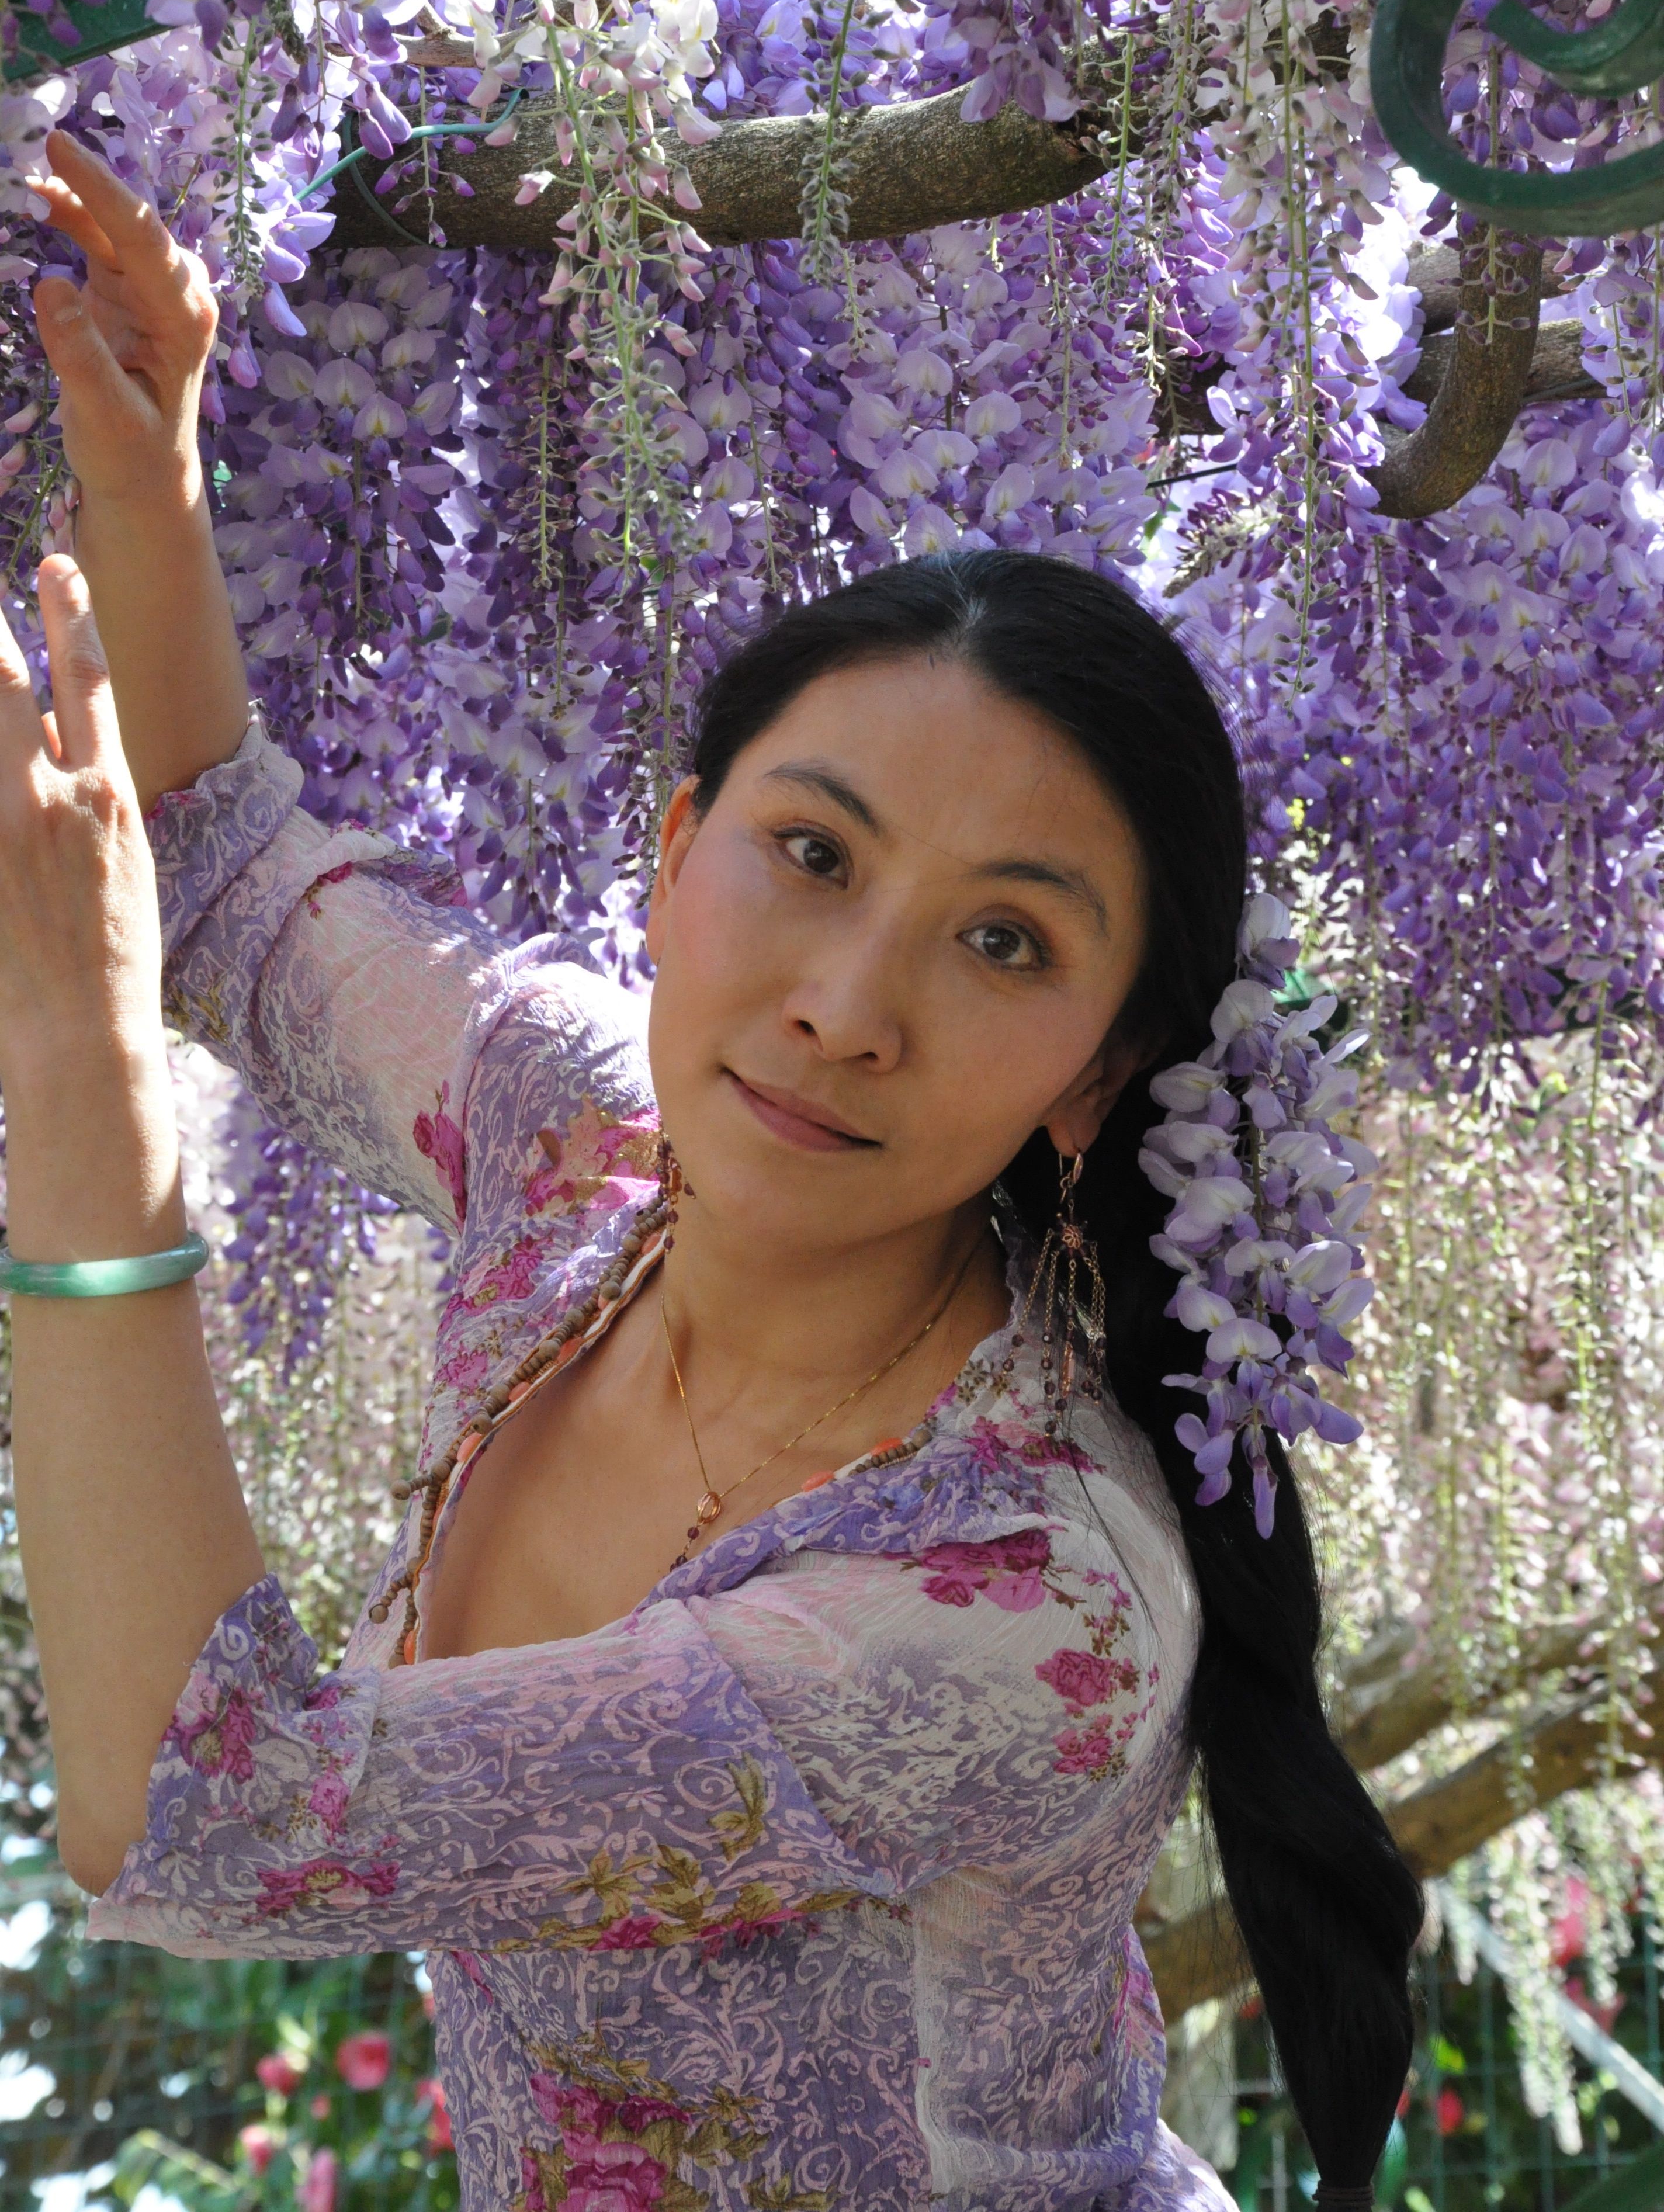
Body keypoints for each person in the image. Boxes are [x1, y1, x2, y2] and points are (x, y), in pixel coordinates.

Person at [0, 131, 1420, 2212]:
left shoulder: (1020, 1599)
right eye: (815, 853)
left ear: (1095, 1075)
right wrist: (148, 466)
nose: (851, 1003)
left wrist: (85, 1112)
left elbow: (209, 1822)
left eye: (1004, 938)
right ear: (671, 855)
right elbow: (227, 880)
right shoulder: (583, 1134)